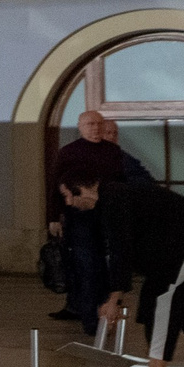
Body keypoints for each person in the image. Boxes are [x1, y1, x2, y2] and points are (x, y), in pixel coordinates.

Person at [63, 176, 184, 367]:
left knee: (161, 302)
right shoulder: (113, 195)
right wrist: (114, 295)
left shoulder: (113, 197)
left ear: (82, 189)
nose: (67, 202)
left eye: (66, 195)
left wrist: (114, 299)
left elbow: (120, 250)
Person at [48, 110, 153, 332]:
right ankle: (91, 321)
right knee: (87, 268)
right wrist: (53, 217)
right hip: (80, 218)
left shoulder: (112, 151)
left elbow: (121, 182)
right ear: (80, 127)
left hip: (108, 215)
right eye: (90, 124)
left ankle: (107, 313)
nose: (95, 128)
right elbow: (54, 186)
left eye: (98, 124)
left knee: (108, 268)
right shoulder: (68, 152)